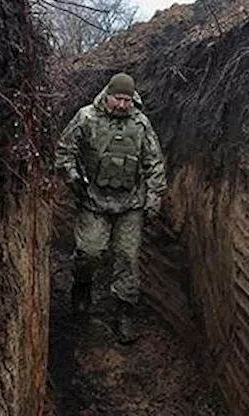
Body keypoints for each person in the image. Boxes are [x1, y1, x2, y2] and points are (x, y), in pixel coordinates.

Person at [54, 72, 166, 344]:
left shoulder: (140, 124)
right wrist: (72, 178)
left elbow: (154, 161)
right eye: (119, 98)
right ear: (108, 94)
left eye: (128, 100)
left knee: (127, 258)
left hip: (130, 203)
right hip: (93, 200)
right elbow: (64, 151)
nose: (123, 105)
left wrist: (155, 196)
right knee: (90, 252)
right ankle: (82, 286)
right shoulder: (86, 118)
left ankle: (124, 312)